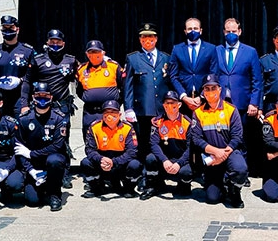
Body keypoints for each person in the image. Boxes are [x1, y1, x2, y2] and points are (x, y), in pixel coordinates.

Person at [25, 29, 79, 187]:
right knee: (41, 138)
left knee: (63, 140)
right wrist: (24, 104)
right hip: (41, 107)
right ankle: (43, 169)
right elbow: (27, 82)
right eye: (52, 41)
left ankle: (64, 174)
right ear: (47, 42)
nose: (55, 44)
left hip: (61, 106)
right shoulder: (38, 60)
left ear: (63, 43)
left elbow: (80, 76)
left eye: (58, 42)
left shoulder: (70, 60)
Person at [191, 74, 247, 208]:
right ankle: (222, 184)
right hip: (211, 155)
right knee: (212, 198)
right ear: (203, 92)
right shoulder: (198, 113)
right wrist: (215, 152)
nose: (211, 92)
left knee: (240, 168)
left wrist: (223, 155)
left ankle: (234, 191)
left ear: (220, 89)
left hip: (230, 152)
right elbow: (196, 139)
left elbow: (237, 137)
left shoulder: (231, 110)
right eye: (207, 89)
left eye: (213, 88)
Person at [215, 18, 263, 176]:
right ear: (223, 32)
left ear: (240, 32)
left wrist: (254, 103)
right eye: (228, 31)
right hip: (220, 103)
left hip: (242, 104)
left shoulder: (250, 52)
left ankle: (242, 172)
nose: (231, 34)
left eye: (234, 31)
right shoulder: (217, 50)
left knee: (241, 138)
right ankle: (223, 169)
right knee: (220, 136)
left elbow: (257, 80)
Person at [14, 82, 68, 212]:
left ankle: (55, 194)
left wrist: (32, 154)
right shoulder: (24, 119)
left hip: (52, 160)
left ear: (51, 98)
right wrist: (31, 170)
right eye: (38, 96)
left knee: (54, 160)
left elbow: (57, 146)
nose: (42, 99)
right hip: (34, 166)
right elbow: (19, 148)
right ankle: (38, 185)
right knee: (32, 201)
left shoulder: (59, 118)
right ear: (33, 97)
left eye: (45, 96)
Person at [123, 23, 171, 166]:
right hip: (142, 110)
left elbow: (169, 82)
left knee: (163, 142)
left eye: (150, 36)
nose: (147, 40)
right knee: (143, 143)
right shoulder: (133, 58)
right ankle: (144, 175)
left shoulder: (166, 58)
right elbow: (128, 86)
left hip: (162, 110)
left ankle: (160, 174)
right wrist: (128, 108)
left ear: (156, 38)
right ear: (140, 40)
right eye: (143, 37)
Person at [80, 100, 142, 198]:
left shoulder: (128, 128)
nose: (109, 116)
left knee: (135, 164)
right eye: (106, 112)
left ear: (119, 114)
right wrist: (101, 159)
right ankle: (97, 188)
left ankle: (128, 189)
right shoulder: (94, 127)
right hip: (102, 163)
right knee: (85, 162)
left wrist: (114, 162)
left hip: (120, 164)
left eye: (113, 112)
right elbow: (89, 149)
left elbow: (132, 151)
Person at [140, 91, 192, 200]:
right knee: (150, 158)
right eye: (167, 103)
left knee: (186, 173)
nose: (170, 106)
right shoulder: (158, 122)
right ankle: (154, 185)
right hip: (164, 161)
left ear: (179, 104)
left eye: (173, 103)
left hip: (179, 161)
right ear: (163, 105)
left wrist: (179, 163)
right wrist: (164, 160)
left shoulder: (187, 122)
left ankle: (183, 186)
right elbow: (153, 144)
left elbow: (190, 148)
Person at [0, 15, 35, 118]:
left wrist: (21, 80)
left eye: (10, 27)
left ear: (17, 29)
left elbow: (34, 74)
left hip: (20, 98)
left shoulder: (28, 51)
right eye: (4, 28)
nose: (7, 30)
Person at [168, 18, 218, 113]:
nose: (193, 31)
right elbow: (173, 75)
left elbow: (214, 74)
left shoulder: (211, 49)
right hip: (184, 101)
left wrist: (202, 96)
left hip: (205, 100)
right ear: (185, 31)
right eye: (190, 29)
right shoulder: (177, 49)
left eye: (195, 28)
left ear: (201, 30)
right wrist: (184, 96)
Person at [75, 40, 122, 140]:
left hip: (109, 112)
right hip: (90, 112)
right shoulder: (81, 69)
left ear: (103, 53)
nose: (94, 54)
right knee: (90, 139)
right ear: (87, 54)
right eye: (91, 52)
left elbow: (123, 87)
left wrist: (117, 103)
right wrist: (87, 97)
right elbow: (79, 90)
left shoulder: (113, 66)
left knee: (111, 139)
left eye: (97, 52)